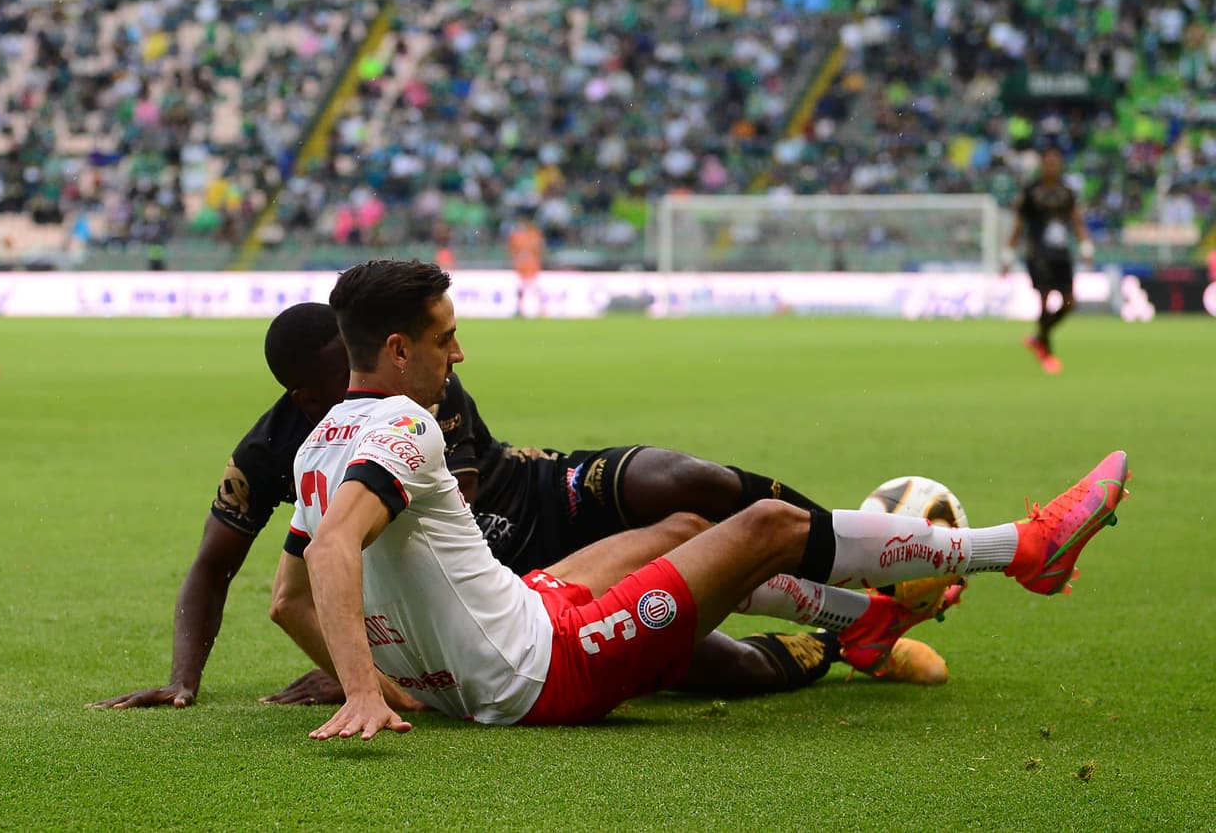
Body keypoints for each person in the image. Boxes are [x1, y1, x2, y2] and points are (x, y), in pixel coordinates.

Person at [291, 259, 1127, 737]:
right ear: (398, 349)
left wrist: (391, 673)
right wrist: (364, 688)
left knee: (686, 526)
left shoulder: (319, 441)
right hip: (544, 670)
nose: (459, 354)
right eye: (444, 340)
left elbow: (286, 593)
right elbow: (332, 552)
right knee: (765, 523)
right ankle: (1023, 549)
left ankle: (867, 624)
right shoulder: (408, 422)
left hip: (511, 625)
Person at [90, 302, 951, 711]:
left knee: (685, 485)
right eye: (330, 386)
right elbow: (219, 564)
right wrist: (183, 681)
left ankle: (857, 553)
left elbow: (440, 530)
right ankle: (846, 639)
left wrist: (373, 661)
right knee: (705, 663)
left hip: (541, 506)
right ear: (300, 393)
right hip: (506, 592)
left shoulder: (417, 397)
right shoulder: (280, 447)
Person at [1002, 147, 1094, 374]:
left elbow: (1076, 220)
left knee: (1070, 302)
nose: (1052, 167)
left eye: (1056, 163)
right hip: (1038, 253)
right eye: (1048, 163)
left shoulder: (1067, 192)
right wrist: (1008, 253)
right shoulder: (1031, 192)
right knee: (1044, 300)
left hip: (1061, 253)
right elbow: (1019, 225)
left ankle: (1038, 338)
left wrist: (1085, 245)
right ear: (1043, 165)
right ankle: (1048, 352)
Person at [507, 213, 544, 318]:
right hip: (522, 267)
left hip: (532, 266)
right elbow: (511, 249)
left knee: (534, 288)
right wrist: (516, 259)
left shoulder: (534, 234)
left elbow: (539, 248)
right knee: (521, 288)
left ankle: (540, 308)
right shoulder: (517, 235)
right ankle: (520, 308)